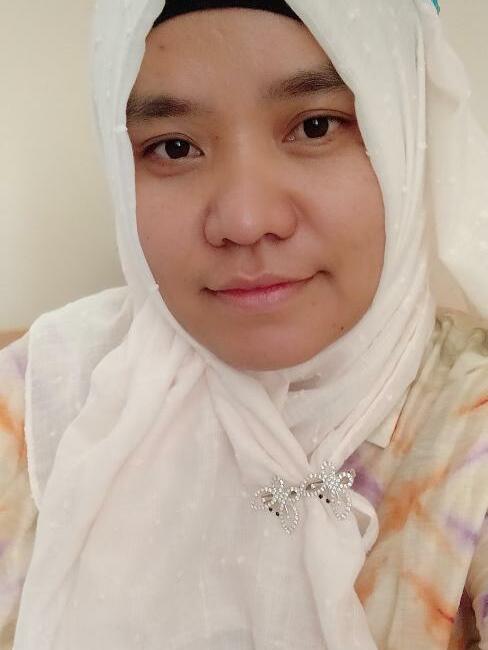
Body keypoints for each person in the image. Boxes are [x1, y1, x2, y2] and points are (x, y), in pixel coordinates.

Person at [0, 0, 487, 648]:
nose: (246, 220)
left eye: (315, 126)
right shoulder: (41, 401)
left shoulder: (470, 431)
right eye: (174, 147)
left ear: (402, 131)